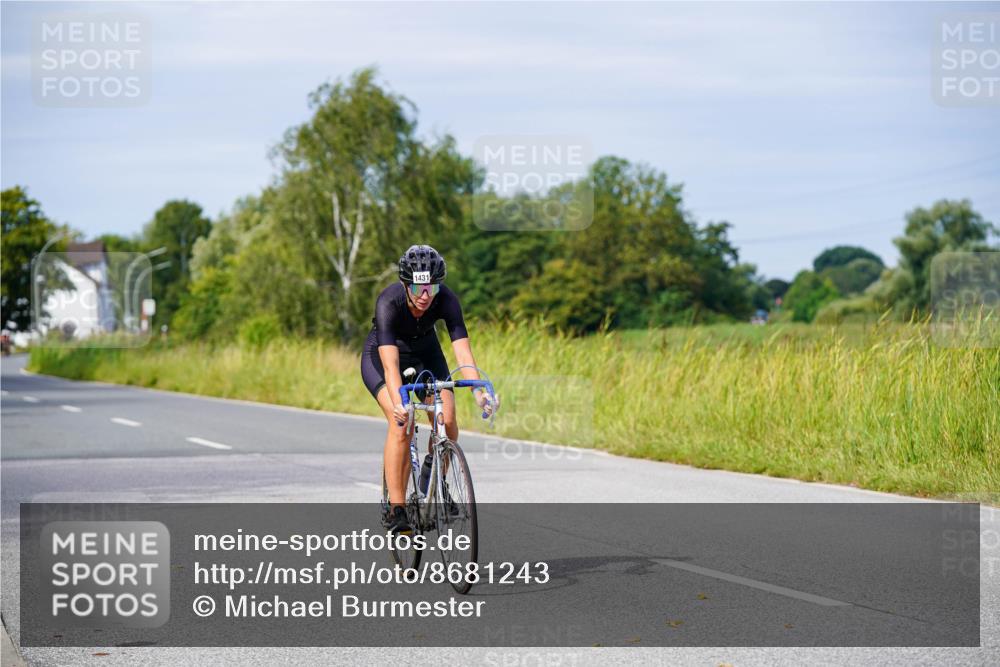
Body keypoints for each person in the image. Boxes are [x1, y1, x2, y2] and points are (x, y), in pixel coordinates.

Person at [360, 245, 492, 534]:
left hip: (426, 356)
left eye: (431, 288)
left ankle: (433, 480)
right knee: (402, 422)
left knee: (448, 421)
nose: (425, 296)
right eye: (418, 288)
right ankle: (397, 510)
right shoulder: (388, 302)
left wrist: (478, 393)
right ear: (405, 284)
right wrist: (400, 403)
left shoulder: (447, 299)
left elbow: (463, 355)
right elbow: (391, 368)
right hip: (384, 358)